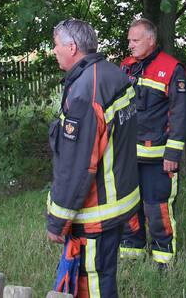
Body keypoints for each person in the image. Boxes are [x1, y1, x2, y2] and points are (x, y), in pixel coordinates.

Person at [46, 19, 140, 298]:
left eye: (56, 45)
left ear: (72, 47)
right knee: (105, 275)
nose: (53, 51)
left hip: (96, 210)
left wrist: (57, 221)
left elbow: (77, 165)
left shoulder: (87, 90)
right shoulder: (112, 74)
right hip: (117, 202)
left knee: (93, 283)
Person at [118, 18, 186, 266]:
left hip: (158, 158)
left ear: (151, 40)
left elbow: (180, 114)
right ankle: (131, 253)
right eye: (129, 40)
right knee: (129, 207)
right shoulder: (126, 67)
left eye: (135, 40)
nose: (130, 45)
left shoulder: (172, 69)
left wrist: (173, 154)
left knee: (157, 208)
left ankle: (163, 259)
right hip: (127, 157)